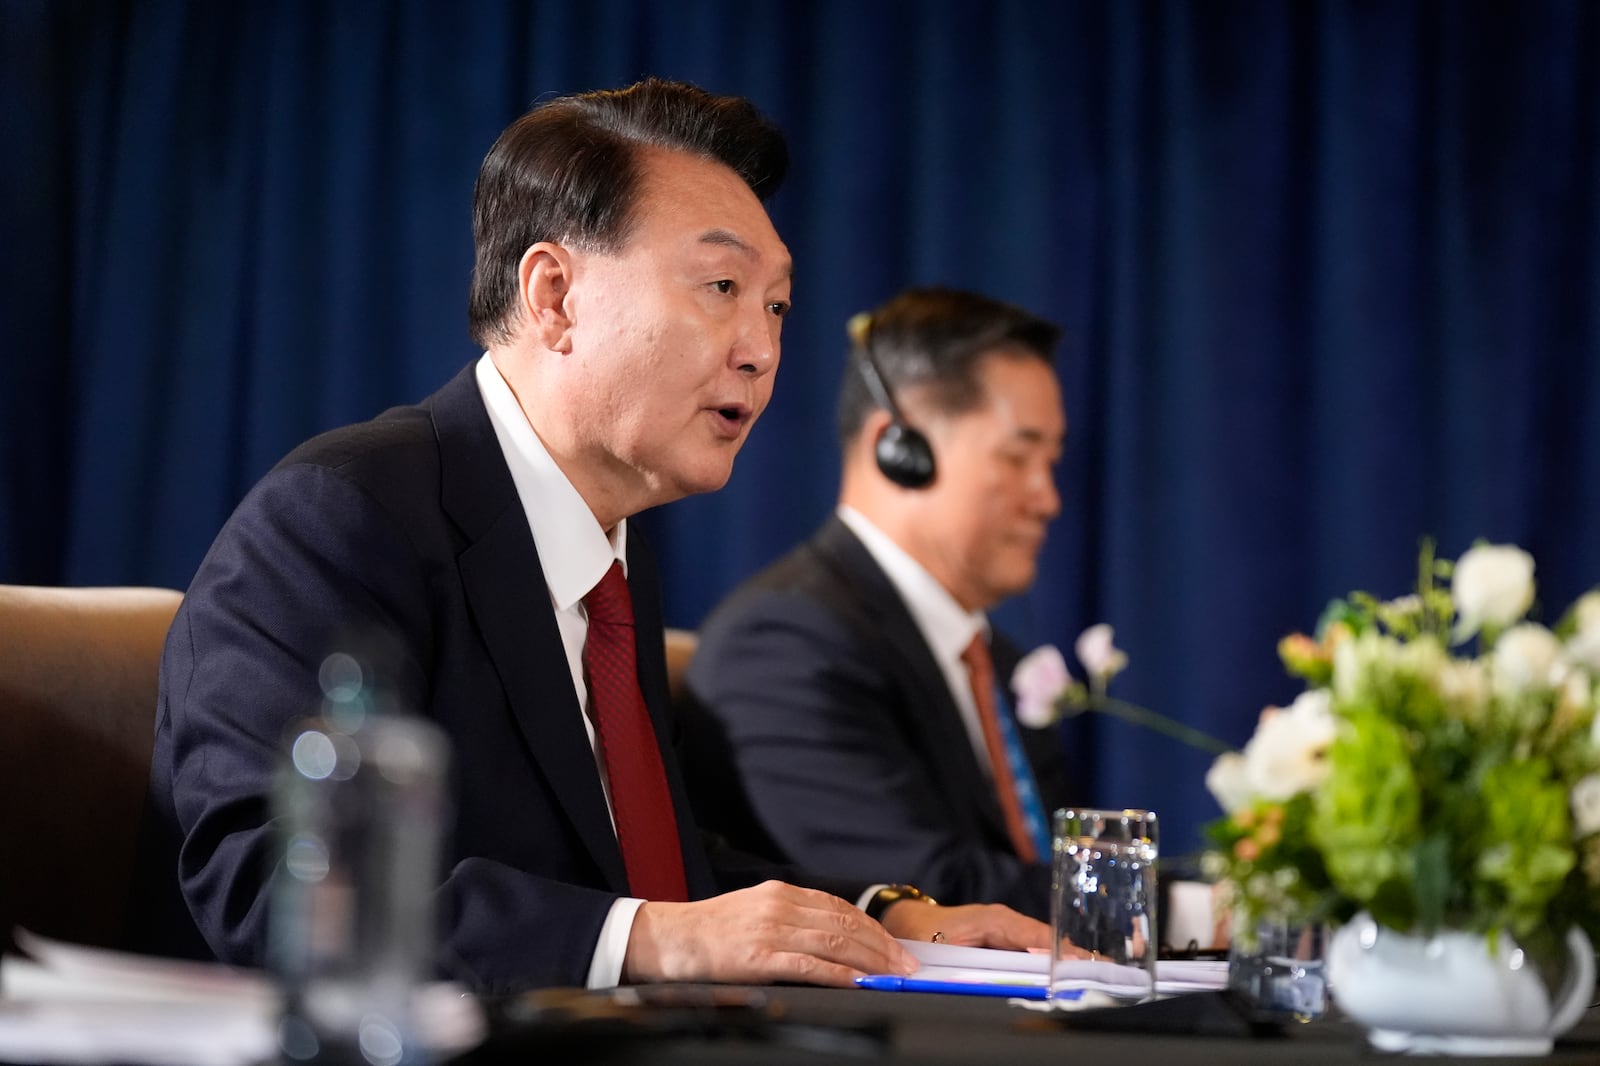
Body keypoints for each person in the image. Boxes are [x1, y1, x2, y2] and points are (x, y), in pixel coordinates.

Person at [136, 79, 1049, 993]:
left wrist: (884, 916)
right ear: (554, 296)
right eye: (722, 287)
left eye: (774, 305)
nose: (761, 349)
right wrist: (662, 943)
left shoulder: (613, 561)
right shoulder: (341, 517)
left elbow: (644, 880)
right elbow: (280, 885)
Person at [682, 286, 1073, 921]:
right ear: (898, 450)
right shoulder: (783, 643)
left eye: (1051, 461)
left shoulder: (995, 660)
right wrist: (1188, 908)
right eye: (1018, 456)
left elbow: (1056, 870)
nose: (1047, 499)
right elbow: (924, 887)